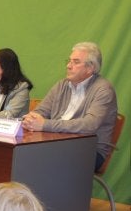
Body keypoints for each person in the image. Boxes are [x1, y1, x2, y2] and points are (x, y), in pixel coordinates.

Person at [22, 42, 118, 172]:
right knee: (17, 152)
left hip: (89, 150)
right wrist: (32, 119)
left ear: (91, 68)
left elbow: (89, 125)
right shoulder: (61, 85)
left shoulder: (103, 90)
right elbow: (41, 111)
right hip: (55, 143)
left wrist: (45, 125)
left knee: (36, 157)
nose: (68, 66)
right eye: (69, 61)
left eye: (76, 62)